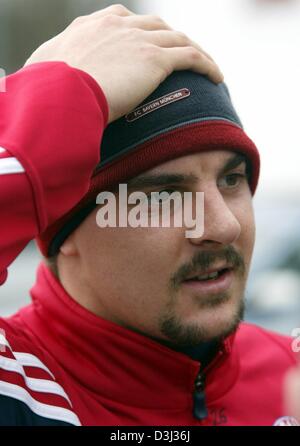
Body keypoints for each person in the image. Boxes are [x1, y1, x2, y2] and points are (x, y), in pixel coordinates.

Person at [0, 4, 298, 426]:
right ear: (62, 224)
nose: (222, 226)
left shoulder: (291, 375)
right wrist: (61, 96)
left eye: (231, 180)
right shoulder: (17, 389)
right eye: (163, 196)